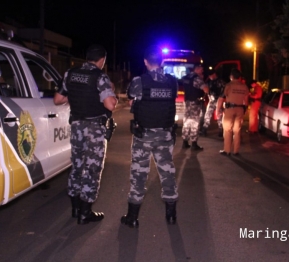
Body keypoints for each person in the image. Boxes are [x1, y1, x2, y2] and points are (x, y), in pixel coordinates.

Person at [53, 44, 118, 225]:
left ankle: (74, 208)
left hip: (77, 126)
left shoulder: (70, 73)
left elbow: (58, 99)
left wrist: (73, 97)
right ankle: (85, 213)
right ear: (102, 60)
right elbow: (110, 105)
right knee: (92, 169)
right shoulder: (99, 76)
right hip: (94, 129)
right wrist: (112, 95)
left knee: (77, 165)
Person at [120, 45, 179, 228]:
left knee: (139, 174)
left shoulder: (139, 81)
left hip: (143, 135)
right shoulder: (172, 81)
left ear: (145, 62)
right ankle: (171, 214)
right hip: (165, 134)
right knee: (167, 172)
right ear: (161, 62)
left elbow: (131, 101)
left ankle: (132, 217)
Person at [217, 68, 249, 156]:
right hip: (240, 109)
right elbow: (246, 100)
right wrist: (244, 110)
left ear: (231, 76)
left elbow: (221, 99)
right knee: (237, 130)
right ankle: (236, 151)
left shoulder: (228, 85)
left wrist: (218, 110)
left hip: (229, 109)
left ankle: (227, 150)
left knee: (227, 130)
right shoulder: (244, 86)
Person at [181, 64, 209, 150]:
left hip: (187, 103)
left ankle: (185, 142)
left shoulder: (185, 77)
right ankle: (194, 143)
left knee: (186, 122)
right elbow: (206, 89)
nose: (202, 71)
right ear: (197, 69)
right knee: (195, 123)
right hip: (195, 103)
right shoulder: (197, 78)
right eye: (201, 69)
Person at [200, 69, 225, 137]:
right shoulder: (209, 82)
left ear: (214, 74)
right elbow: (206, 90)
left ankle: (221, 130)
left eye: (211, 75)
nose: (210, 76)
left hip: (218, 101)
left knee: (219, 116)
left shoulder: (221, 81)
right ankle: (204, 129)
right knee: (207, 115)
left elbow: (224, 91)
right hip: (211, 101)